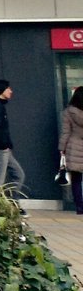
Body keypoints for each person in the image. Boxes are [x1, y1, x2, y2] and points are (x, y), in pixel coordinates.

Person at [61, 87, 83, 216]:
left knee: (76, 180)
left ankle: (80, 207)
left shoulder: (68, 112)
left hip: (73, 147)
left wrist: (61, 149)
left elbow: (65, 132)